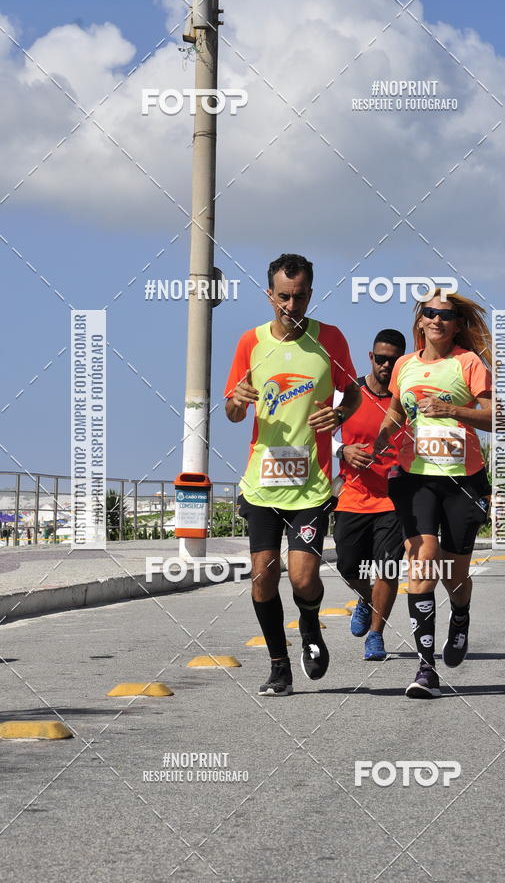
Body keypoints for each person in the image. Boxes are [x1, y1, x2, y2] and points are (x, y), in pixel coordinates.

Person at [224, 254, 360, 696]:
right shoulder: (251, 342)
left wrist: (339, 413)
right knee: (263, 577)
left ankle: (309, 624)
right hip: (262, 484)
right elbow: (231, 411)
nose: (291, 305)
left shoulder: (330, 339)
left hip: (311, 485)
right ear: (270, 295)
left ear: (310, 295)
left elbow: (353, 393)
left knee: (302, 577)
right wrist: (237, 401)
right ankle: (279, 666)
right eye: (283, 296)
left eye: (299, 297)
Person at [373, 290, 492, 699]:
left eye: (446, 315)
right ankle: (426, 668)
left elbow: (495, 416)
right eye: (430, 313)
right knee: (422, 561)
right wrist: (384, 435)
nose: (437, 320)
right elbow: (397, 410)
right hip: (415, 477)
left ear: (456, 325)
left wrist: (452, 410)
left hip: (462, 479)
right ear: (420, 320)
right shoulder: (404, 364)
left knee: (455, 576)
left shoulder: (468, 363)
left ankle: (460, 616)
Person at [332, 329, 406, 660]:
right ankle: (365, 597)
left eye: (393, 360)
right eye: (381, 358)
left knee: (388, 568)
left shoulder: (406, 400)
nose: (386, 365)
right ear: (371, 357)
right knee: (348, 566)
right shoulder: (348, 394)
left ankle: (376, 635)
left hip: (394, 499)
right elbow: (320, 434)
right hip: (352, 495)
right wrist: (343, 450)